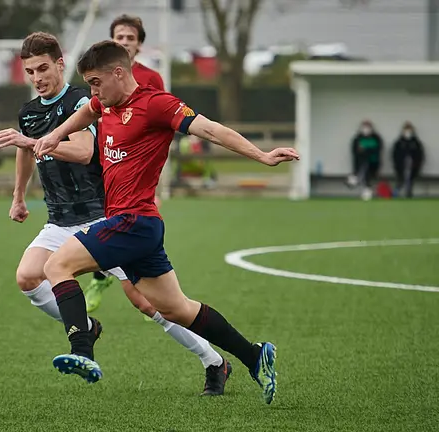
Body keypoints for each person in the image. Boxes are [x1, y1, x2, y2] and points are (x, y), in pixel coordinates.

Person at [34, 40, 298, 404]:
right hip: (136, 226)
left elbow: (211, 130)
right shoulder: (104, 102)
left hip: (133, 220)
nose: (92, 92)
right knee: (177, 309)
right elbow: (87, 113)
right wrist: (54, 136)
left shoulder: (156, 104)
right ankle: (255, 356)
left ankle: (82, 351)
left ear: (118, 73)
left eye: (96, 82)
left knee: (56, 265)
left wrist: (262, 155)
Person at [0, 32, 231, 396]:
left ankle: (213, 361)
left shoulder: (82, 100)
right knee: (27, 277)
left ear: (60, 64)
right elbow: (25, 153)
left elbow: (84, 151)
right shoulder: (28, 112)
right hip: (60, 219)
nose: (37, 78)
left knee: (149, 303)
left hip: (103, 217)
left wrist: (34, 143)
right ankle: (86, 326)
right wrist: (18, 196)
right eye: (30, 72)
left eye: (43, 68)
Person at [83, 14, 170, 313]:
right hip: (106, 162)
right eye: (119, 37)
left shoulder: (151, 80)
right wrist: (53, 137)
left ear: (139, 45)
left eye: (130, 38)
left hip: (136, 173)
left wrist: (153, 185)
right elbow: (91, 111)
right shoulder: (99, 78)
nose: (124, 42)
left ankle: (147, 295)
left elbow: (161, 129)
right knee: (105, 224)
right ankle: (103, 279)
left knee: (130, 230)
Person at [346, 120, 383, 201]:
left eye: (368, 127)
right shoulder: (357, 139)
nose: (366, 129)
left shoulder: (376, 138)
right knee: (364, 176)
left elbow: (377, 150)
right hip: (361, 163)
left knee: (369, 178)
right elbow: (355, 152)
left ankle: (366, 190)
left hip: (373, 163)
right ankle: (363, 188)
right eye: (364, 127)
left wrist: (366, 150)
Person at [391, 122, 424, 198]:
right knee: (401, 179)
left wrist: (417, 164)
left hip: (412, 166)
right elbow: (395, 154)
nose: (407, 132)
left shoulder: (415, 143)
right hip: (401, 166)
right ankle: (395, 193)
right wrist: (397, 164)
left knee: (410, 180)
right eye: (406, 130)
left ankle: (408, 193)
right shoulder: (399, 142)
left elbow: (419, 155)